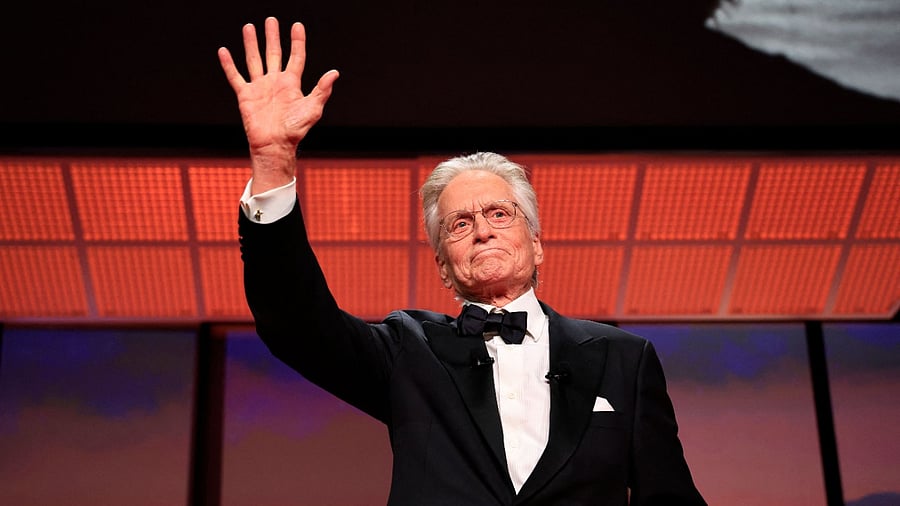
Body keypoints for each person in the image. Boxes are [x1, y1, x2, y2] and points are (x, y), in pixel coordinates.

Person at [219, 17, 706, 505]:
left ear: (536, 242)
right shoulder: (410, 352)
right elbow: (296, 323)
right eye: (460, 224)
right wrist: (273, 163)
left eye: (499, 213)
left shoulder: (625, 358)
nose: (483, 229)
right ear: (443, 266)